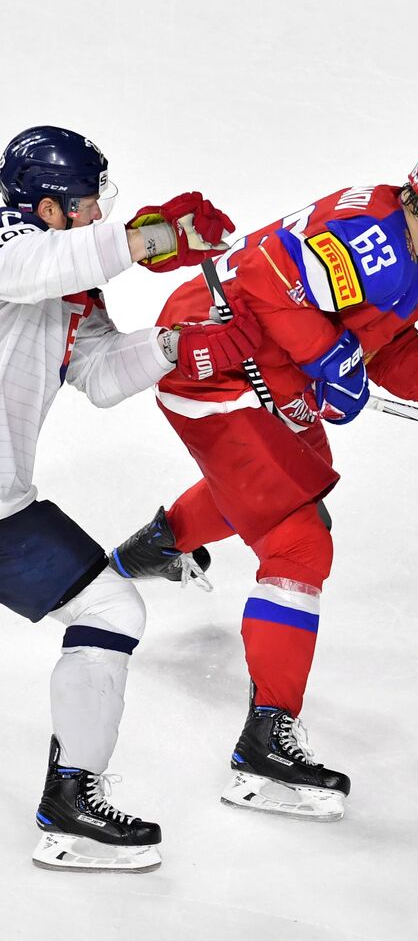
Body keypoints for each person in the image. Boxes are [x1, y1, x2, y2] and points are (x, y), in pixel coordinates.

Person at [107, 129, 418, 821]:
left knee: (289, 480)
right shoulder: (376, 238)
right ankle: (263, 746)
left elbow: (384, 335)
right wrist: (331, 358)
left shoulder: (416, 248)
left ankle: (163, 542)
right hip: (216, 355)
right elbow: (268, 281)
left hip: (261, 355)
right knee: (298, 536)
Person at [0, 124, 260, 871]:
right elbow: (40, 266)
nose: (93, 214)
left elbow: (101, 375)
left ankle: (72, 806)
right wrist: (158, 236)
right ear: (44, 208)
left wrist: (180, 343)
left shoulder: (68, 276)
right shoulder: (17, 247)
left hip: (5, 507)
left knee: (112, 606)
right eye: (84, 203)